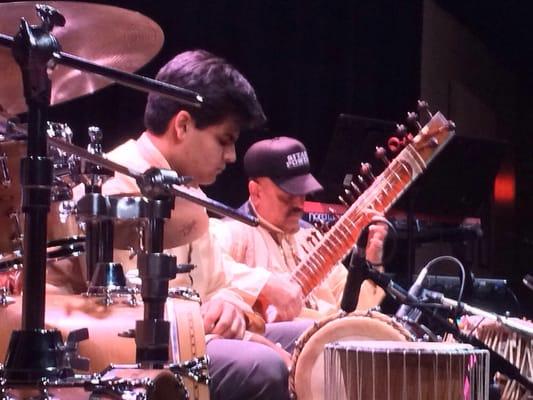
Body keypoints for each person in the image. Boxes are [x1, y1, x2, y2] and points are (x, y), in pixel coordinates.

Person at [100, 50, 310, 400]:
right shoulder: (116, 183)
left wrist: (230, 307)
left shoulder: (188, 190)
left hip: (198, 335)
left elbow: (218, 284)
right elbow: (123, 310)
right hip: (144, 347)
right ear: (182, 125)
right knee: (263, 365)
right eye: (224, 140)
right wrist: (235, 333)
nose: (231, 157)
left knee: (316, 338)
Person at [211, 136, 388, 321]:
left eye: (302, 193)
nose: (299, 204)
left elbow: (354, 314)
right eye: (287, 195)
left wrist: (371, 261)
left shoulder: (310, 238)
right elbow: (209, 270)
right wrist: (265, 284)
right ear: (256, 192)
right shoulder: (232, 232)